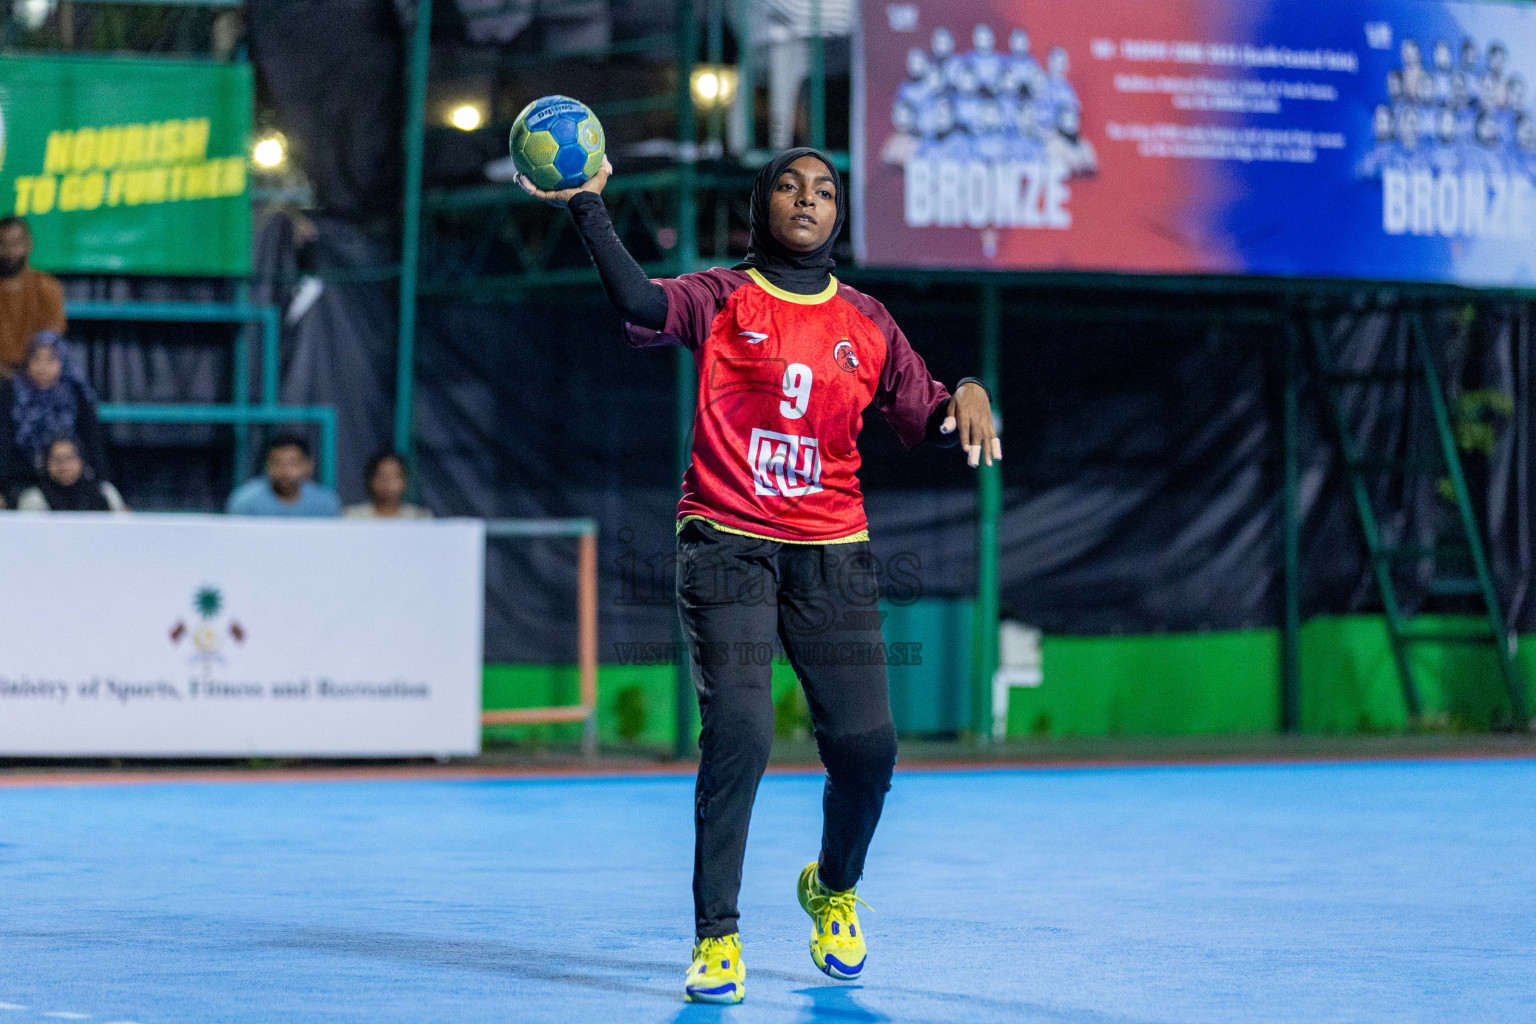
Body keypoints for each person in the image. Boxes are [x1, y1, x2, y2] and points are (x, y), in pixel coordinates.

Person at [521, 148, 999, 1004]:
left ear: (838, 215)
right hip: (726, 543)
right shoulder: (721, 295)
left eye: (824, 190)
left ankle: (834, 889)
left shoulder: (868, 322)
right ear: (760, 204)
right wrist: (588, 206)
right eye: (789, 184)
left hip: (834, 553)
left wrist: (965, 387)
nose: (807, 198)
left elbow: (924, 415)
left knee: (868, 749)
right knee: (739, 731)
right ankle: (717, 937)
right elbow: (637, 302)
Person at [0, 331, 106, 508]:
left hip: (74, 482)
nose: (42, 367)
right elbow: (3, 447)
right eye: (36, 359)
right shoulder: (12, 395)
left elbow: (93, 445)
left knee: (107, 495)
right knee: (32, 503)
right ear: (27, 363)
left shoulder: (77, 394)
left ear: (62, 361)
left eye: (50, 360)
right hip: (26, 482)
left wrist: (101, 480)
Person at [0, 217, 67, 379]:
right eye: (3, 244)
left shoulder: (47, 287)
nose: (9, 252)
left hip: (34, 378)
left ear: (28, 244)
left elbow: (49, 344)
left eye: (16, 244)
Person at [226, 432, 341, 517]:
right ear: (266, 465)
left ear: (308, 465)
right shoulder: (245, 502)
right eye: (276, 463)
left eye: (293, 463)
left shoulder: (326, 504)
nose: (284, 471)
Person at [13, 436, 126, 512]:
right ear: (46, 464)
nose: (64, 466)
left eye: (70, 458)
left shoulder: (105, 492)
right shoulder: (34, 499)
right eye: (57, 460)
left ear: (81, 460)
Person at [344, 451, 433, 519]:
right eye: (382, 476)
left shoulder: (419, 518)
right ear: (371, 480)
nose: (388, 483)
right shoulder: (353, 517)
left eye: (394, 476)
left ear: (405, 480)